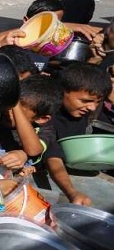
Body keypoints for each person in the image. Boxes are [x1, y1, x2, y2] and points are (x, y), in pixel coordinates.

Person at [43, 63, 111, 205]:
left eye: (98, 102)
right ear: (62, 92)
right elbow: (52, 157)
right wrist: (72, 193)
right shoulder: (46, 115)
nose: (92, 107)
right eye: (85, 101)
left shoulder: (88, 114)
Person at [0, 75, 62, 177]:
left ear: (41, 119)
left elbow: (33, 150)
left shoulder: (45, 130)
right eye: (10, 105)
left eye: (18, 111)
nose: (9, 111)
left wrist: (23, 155)